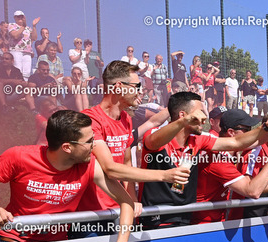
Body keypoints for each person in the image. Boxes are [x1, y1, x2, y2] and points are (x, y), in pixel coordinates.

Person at [0, 110, 135, 242]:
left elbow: (126, 202)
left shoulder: (89, 165)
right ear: (67, 147)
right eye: (89, 141)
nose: (94, 145)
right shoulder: (18, 157)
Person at [139, 92, 268, 228]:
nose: (204, 117)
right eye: (199, 112)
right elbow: (153, 142)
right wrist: (184, 121)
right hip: (155, 221)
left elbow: (237, 142)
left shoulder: (199, 139)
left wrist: (266, 127)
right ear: (183, 115)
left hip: (184, 220)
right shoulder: (155, 135)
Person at [76, 60, 189, 232]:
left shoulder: (126, 119)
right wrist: (165, 175)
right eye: (137, 86)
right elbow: (110, 168)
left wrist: (132, 201)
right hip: (92, 216)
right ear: (119, 87)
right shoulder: (90, 120)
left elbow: (127, 163)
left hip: (119, 211)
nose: (140, 91)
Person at [193, 109, 268, 224]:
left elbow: (258, 140)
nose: (250, 133)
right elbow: (253, 191)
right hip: (204, 225)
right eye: (246, 130)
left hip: (216, 221)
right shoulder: (218, 160)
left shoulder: (228, 150)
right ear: (231, 132)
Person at [8, 10, 38, 80]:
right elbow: (15, 36)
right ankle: (17, 85)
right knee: (18, 69)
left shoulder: (28, 28)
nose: (20, 18)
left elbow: (34, 38)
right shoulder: (12, 25)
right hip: (16, 51)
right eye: (18, 17)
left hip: (27, 52)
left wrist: (34, 26)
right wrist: (23, 26)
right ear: (15, 18)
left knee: (27, 72)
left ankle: (25, 84)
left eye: (22, 17)